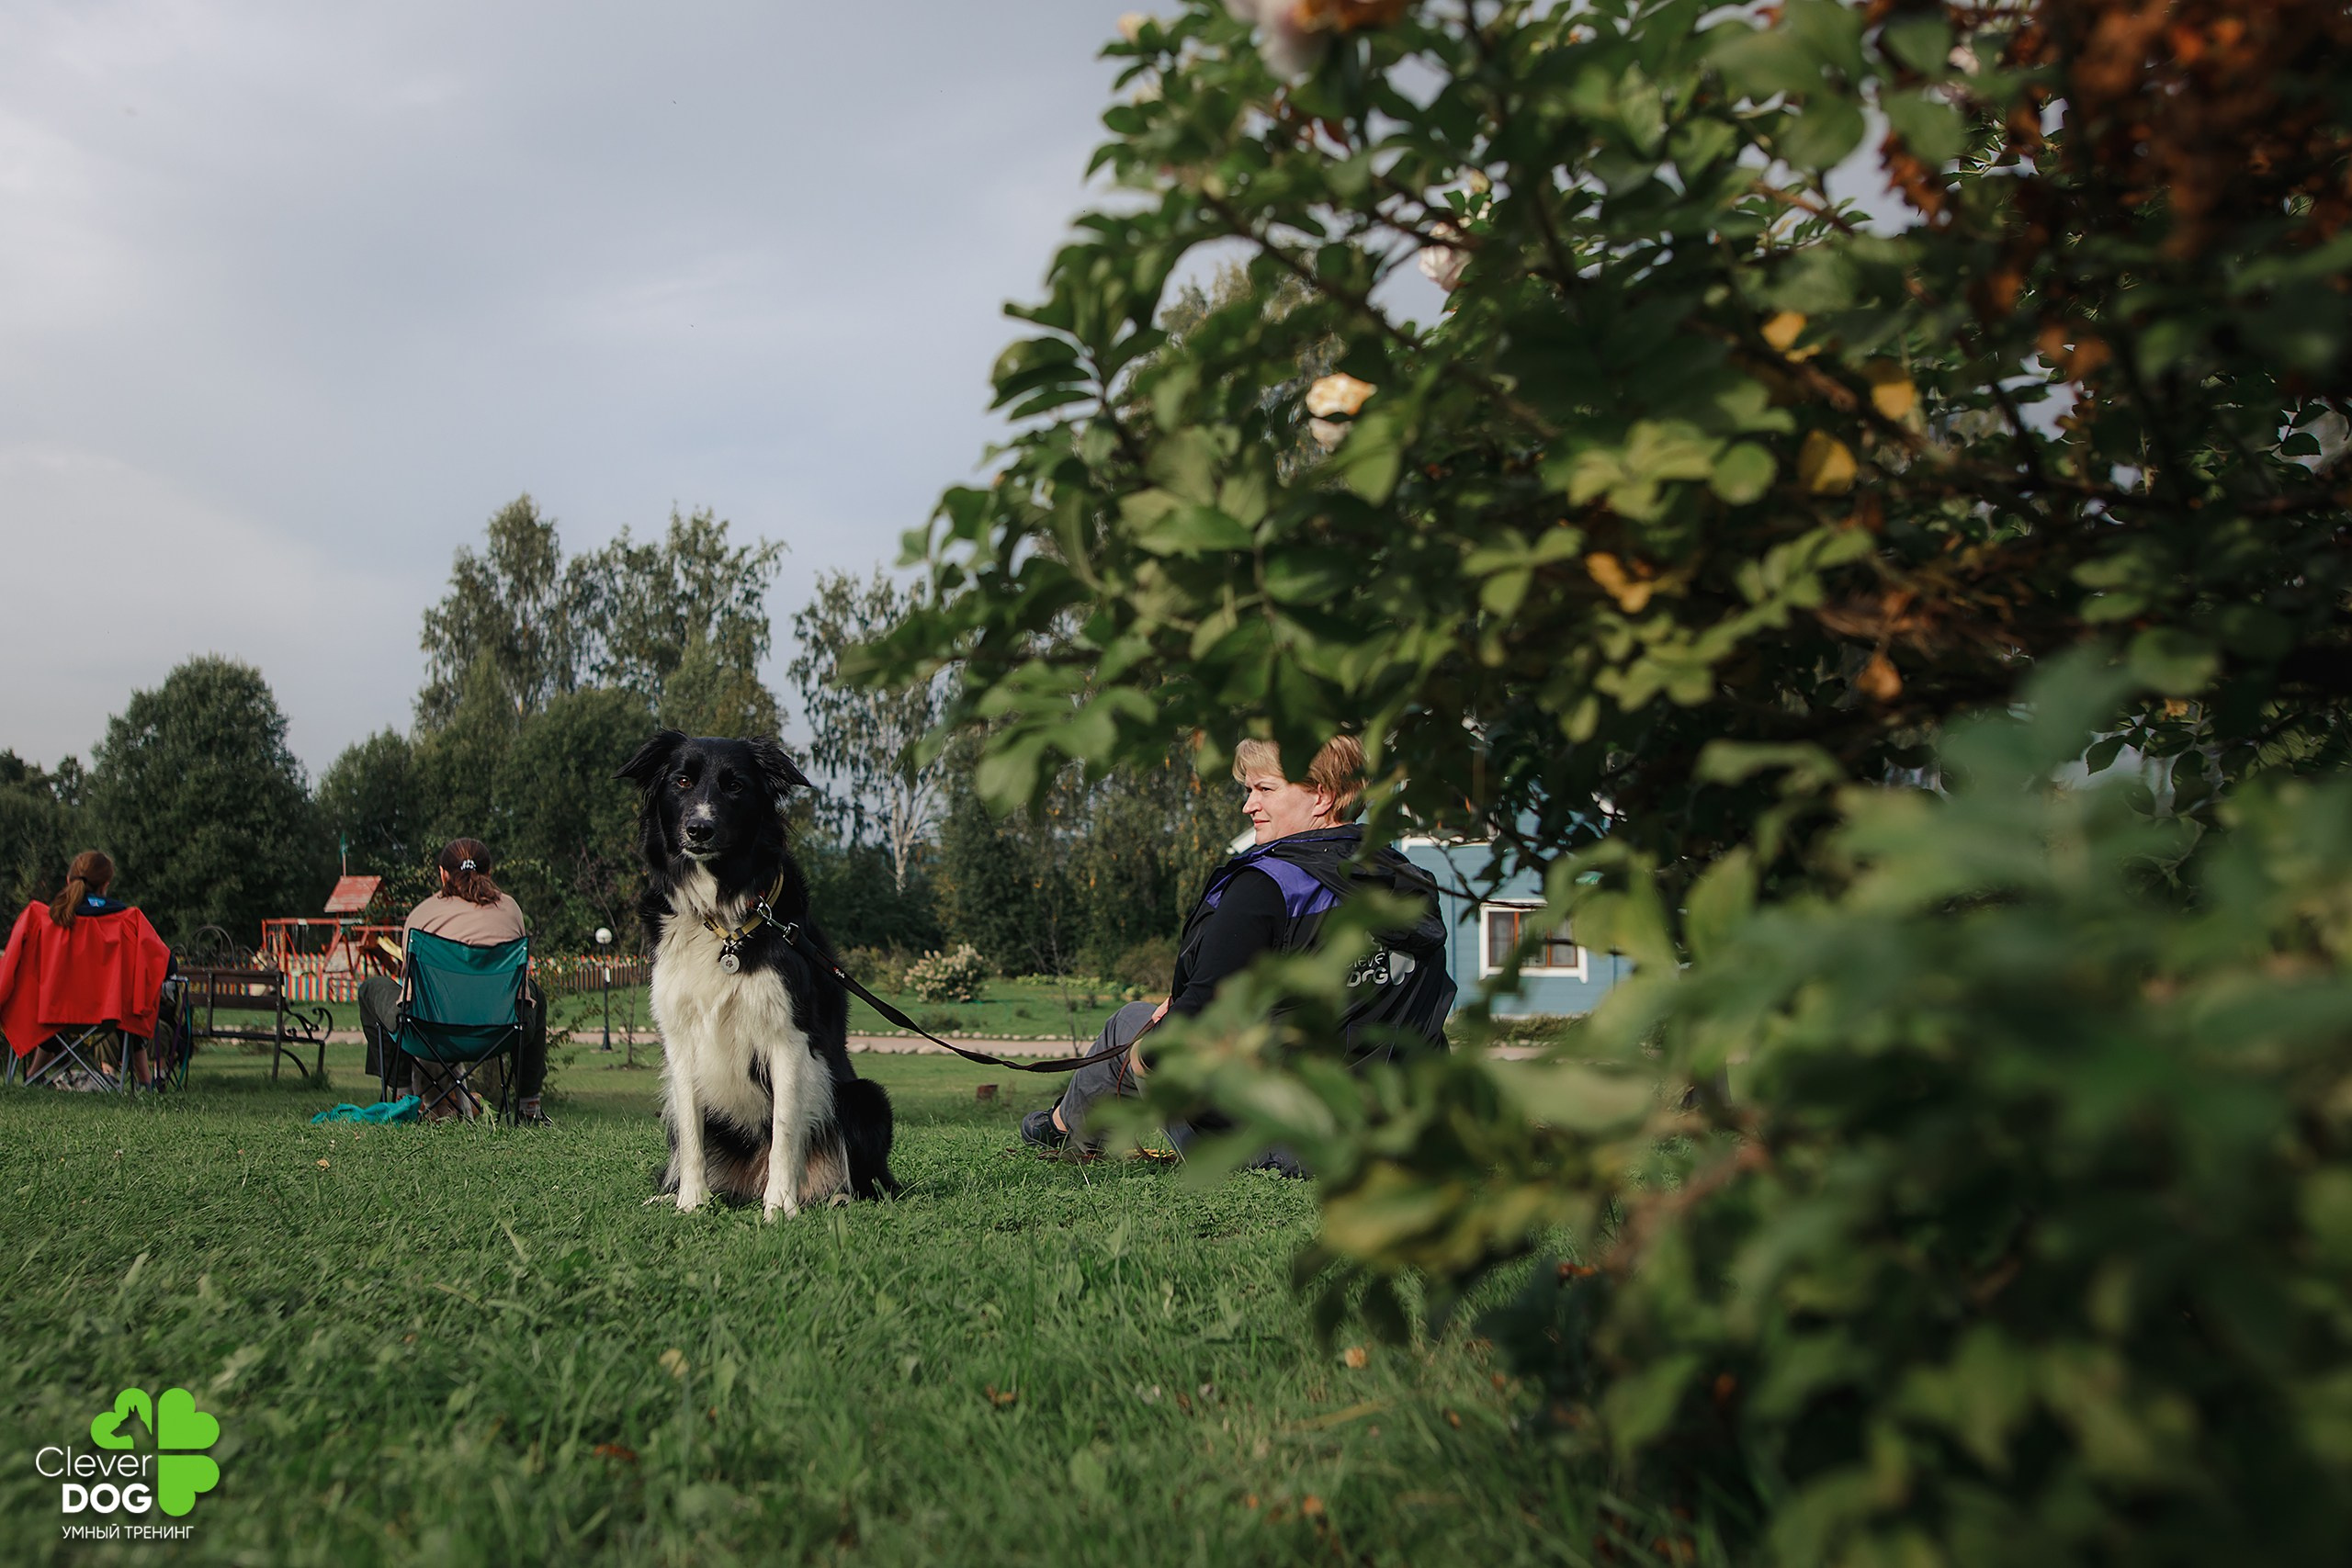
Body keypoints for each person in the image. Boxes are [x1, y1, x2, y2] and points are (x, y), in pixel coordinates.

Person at [1018, 735, 1455, 1167]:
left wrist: (1161, 1039)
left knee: (1135, 1025)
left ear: (1322, 796)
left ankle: (1063, 1130)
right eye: (1249, 790)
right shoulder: (1406, 883)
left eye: (1265, 789)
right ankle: (1059, 1126)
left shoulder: (1268, 886)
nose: (1248, 806)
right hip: (1402, 1129)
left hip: (1290, 1146)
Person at [357, 839, 551, 1124]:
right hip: (499, 1032)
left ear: (442, 873)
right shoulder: (510, 909)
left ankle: (403, 1097)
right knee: (535, 993)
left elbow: (408, 982)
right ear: (490, 871)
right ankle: (528, 1106)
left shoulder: (422, 915)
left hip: (428, 1031)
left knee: (370, 989)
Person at [0, 852, 170, 1087]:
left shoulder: (41, 919)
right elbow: (167, 964)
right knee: (128, 1000)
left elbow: (12, 964)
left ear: (70, 881)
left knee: (49, 1004)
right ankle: (145, 1080)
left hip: (50, 1010)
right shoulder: (128, 921)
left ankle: (33, 1074)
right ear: (106, 885)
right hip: (109, 1016)